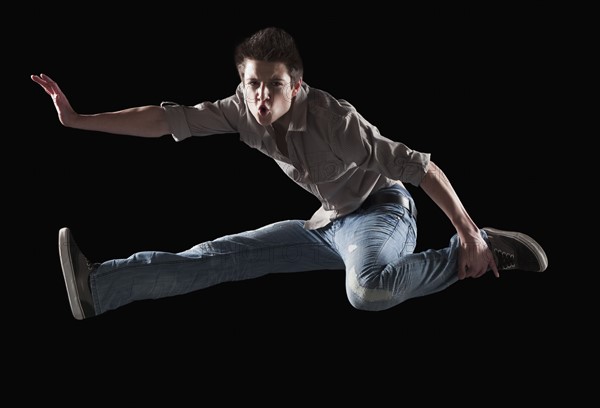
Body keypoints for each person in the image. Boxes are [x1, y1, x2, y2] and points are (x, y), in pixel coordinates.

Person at [32, 27, 548, 321]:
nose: (260, 97)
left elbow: (421, 167)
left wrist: (465, 230)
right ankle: (98, 286)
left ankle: (469, 251)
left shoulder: (336, 120)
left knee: (365, 290)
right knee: (216, 257)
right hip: (327, 226)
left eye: (272, 86)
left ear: (295, 86)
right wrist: (79, 119)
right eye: (252, 84)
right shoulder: (239, 109)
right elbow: (164, 119)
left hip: (382, 211)